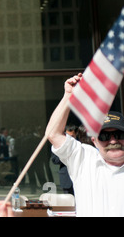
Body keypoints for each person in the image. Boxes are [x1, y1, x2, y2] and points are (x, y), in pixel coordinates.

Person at [46, 73, 124, 216]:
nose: (113, 141)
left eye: (119, 135)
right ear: (94, 139)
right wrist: (68, 96)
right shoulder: (84, 159)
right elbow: (53, 134)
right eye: (104, 136)